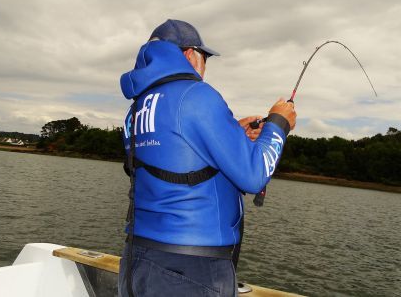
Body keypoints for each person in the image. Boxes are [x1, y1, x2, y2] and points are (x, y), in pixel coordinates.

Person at [118, 19, 297, 297]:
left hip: (136, 260)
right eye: (205, 57)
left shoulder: (136, 108)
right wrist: (278, 124)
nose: (205, 67)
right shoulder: (197, 95)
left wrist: (232, 134)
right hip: (190, 268)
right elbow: (254, 174)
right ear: (189, 54)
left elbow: (171, 157)